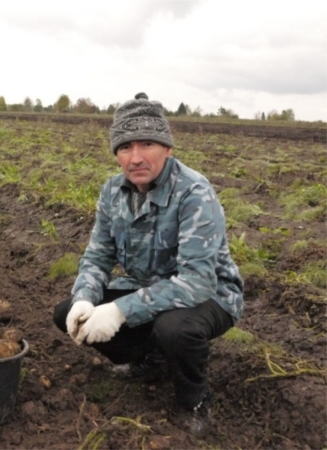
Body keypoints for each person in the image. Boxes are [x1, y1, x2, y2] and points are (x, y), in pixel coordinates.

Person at [53, 93, 243, 437]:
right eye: (125, 147)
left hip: (211, 296)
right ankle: (151, 360)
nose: (135, 157)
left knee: (175, 329)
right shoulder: (112, 192)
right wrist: (84, 297)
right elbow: (97, 256)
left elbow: (198, 281)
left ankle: (194, 400)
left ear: (168, 148)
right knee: (68, 312)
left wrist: (120, 311)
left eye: (148, 144)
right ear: (116, 153)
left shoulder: (193, 193)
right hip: (146, 290)